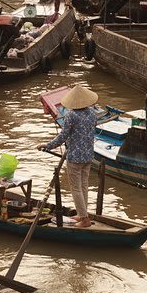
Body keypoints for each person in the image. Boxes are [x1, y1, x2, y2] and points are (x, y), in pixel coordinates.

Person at [38, 85, 99, 228]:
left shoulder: (71, 115)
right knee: (83, 185)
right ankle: (82, 213)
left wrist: (46, 145)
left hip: (75, 157)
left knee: (76, 188)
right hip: (88, 155)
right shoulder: (92, 113)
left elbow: (62, 136)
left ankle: (84, 219)